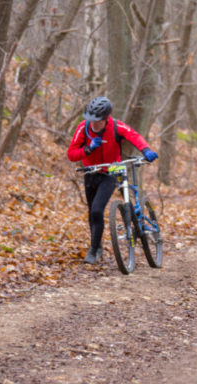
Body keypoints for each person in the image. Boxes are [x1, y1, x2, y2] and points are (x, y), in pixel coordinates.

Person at [67, 97, 159, 264]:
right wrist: (88, 149)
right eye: (90, 119)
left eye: (97, 120)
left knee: (97, 209)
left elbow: (134, 136)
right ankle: (97, 247)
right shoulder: (83, 127)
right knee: (93, 212)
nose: (93, 123)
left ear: (106, 118)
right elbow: (71, 154)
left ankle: (95, 249)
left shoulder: (116, 126)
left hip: (111, 170)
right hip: (91, 171)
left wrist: (146, 150)